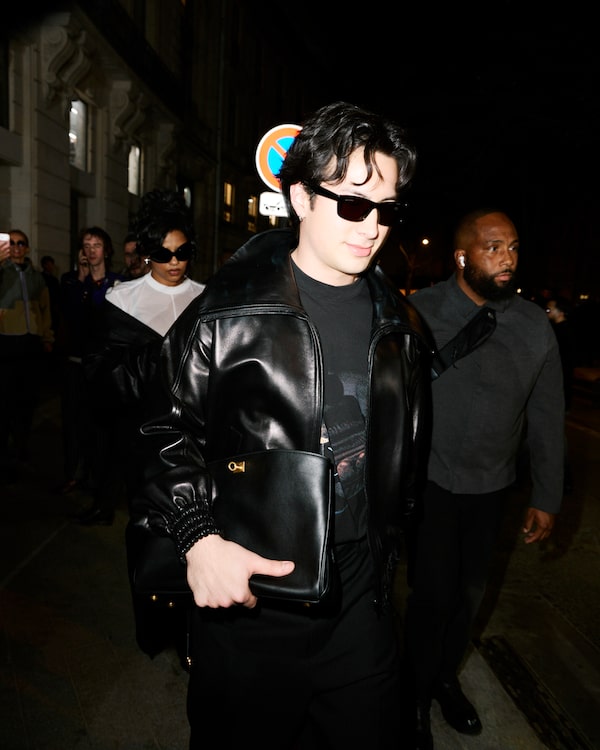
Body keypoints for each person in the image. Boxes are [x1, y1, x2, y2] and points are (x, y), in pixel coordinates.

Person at [133, 101, 432, 748]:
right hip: (253, 602)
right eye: (352, 204)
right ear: (301, 197)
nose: (372, 227)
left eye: (387, 210)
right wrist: (198, 538)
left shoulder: (402, 327)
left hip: (362, 603)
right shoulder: (224, 313)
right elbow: (162, 431)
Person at [404, 208, 565, 750]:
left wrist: (547, 495)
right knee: (431, 595)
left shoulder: (534, 325)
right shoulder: (420, 313)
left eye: (513, 247)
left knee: (469, 597)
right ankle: (413, 696)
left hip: (491, 487)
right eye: (494, 248)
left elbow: (547, 415)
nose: (507, 258)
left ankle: (445, 679)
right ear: (462, 256)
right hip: (429, 483)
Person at [83, 189, 205, 521]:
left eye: (183, 252)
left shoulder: (207, 300)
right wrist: (159, 357)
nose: (175, 262)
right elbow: (99, 376)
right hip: (140, 438)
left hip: (195, 440)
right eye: (163, 254)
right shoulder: (122, 300)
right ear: (148, 255)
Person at [57, 227, 124, 505]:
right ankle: (75, 473)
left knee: (101, 428)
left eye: (96, 245)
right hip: (76, 365)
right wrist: (82, 279)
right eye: (86, 245)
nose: (91, 250)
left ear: (106, 250)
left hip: (104, 369)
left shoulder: (118, 283)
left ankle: (99, 481)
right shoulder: (73, 282)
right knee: (74, 423)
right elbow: (70, 318)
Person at [0, 230, 54, 481]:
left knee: (28, 400)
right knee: (5, 402)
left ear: (28, 248)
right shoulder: (2, 272)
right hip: (6, 342)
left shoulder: (36, 277)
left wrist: (47, 337)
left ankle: (22, 450)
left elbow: (45, 309)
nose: (16, 247)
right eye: (11, 243)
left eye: (20, 243)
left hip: (31, 344)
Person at [546, 295, 576, 493]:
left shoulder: (562, 333)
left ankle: (565, 478)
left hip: (557, 393)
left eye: (550, 309)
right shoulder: (559, 331)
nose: (547, 312)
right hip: (556, 392)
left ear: (561, 312)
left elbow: (562, 367)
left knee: (554, 437)